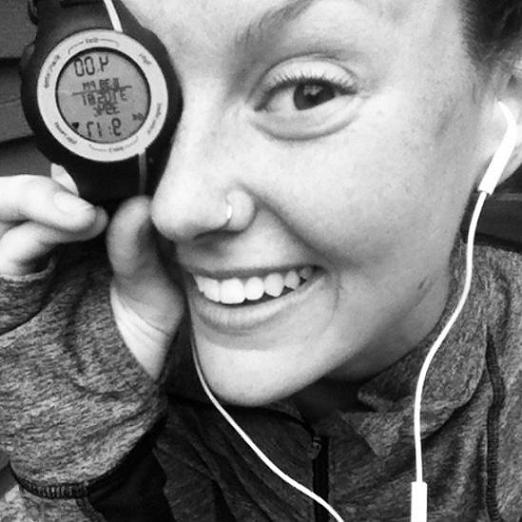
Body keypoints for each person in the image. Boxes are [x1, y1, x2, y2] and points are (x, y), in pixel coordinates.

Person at [1, 0, 522, 520]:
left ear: (506, 105)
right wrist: (85, 443)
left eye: (307, 92)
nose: (177, 209)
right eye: (149, 93)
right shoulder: (118, 369)